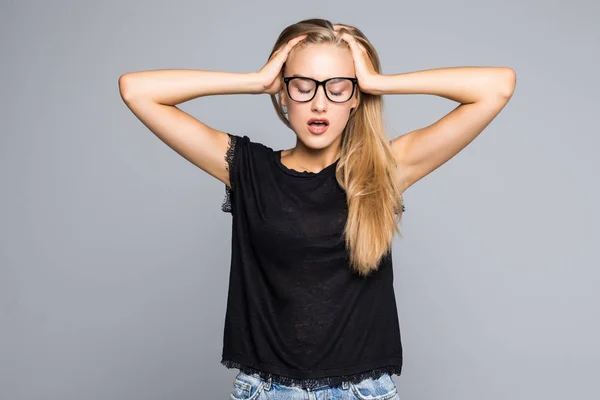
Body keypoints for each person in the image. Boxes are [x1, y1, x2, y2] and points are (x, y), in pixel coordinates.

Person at [119, 17, 515, 400]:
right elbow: (136, 90)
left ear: (356, 96)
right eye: (303, 86)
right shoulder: (247, 168)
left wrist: (381, 83)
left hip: (363, 393)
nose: (320, 103)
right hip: (266, 391)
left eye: (338, 87)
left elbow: (497, 86)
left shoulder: (384, 170)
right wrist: (254, 81)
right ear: (283, 93)